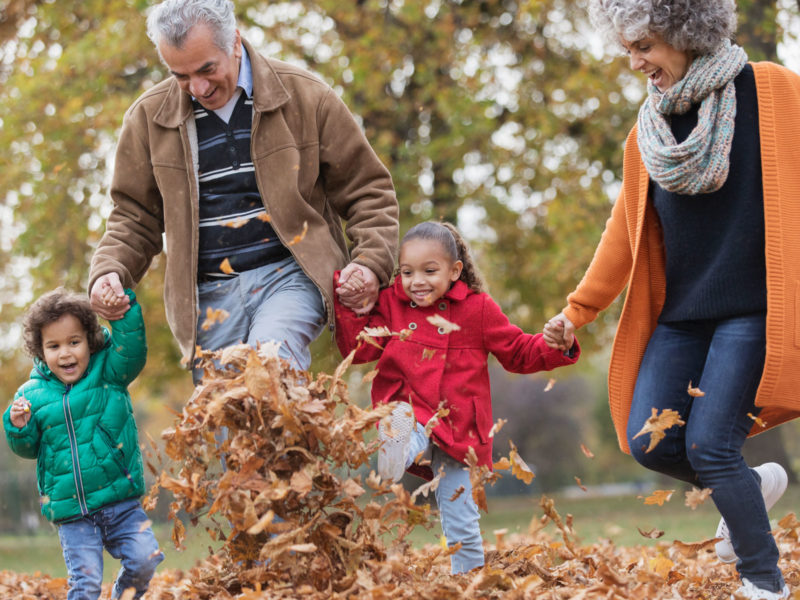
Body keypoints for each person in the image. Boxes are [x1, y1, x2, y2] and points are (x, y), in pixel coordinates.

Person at [543, 1, 800, 598]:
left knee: (711, 445)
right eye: (628, 49)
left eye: (646, 46)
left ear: (688, 31)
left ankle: (764, 583)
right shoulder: (649, 134)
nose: (636, 63)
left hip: (753, 310)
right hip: (683, 317)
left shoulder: (774, 92)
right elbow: (622, 233)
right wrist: (577, 309)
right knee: (649, 441)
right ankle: (750, 485)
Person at [88, 0, 398, 381]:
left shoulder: (306, 96)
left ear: (234, 42)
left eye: (207, 69)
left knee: (269, 372)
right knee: (227, 423)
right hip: (209, 297)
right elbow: (134, 218)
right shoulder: (147, 119)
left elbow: (368, 189)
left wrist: (370, 261)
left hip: (288, 275)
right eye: (181, 76)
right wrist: (110, 269)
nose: (198, 88)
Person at [334, 221, 580, 574]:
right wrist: (352, 309)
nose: (417, 281)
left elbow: (517, 352)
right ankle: (396, 444)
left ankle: (468, 580)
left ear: (454, 271)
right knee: (405, 425)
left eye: (429, 271)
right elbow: (360, 350)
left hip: (459, 428)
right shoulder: (391, 303)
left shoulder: (478, 309)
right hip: (409, 409)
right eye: (407, 272)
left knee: (461, 511)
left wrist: (557, 345)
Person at [3, 287, 163, 600]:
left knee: (145, 560)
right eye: (54, 346)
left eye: (74, 342)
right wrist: (18, 427)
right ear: (40, 350)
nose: (65, 353)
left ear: (89, 340)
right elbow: (27, 448)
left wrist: (123, 310)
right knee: (86, 585)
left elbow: (132, 349)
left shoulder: (108, 372)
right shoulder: (30, 395)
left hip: (121, 500)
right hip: (72, 511)